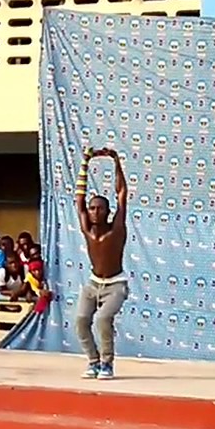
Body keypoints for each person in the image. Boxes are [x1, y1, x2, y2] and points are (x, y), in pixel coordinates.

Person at [75, 147, 130, 380]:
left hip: (115, 285)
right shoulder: (87, 229)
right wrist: (85, 162)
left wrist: (116, 161)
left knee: (103, 319)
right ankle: (93, 361)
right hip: (93, 284)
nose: (95, 212)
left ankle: (107, 363)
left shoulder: (116, 230)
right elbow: (78, 198)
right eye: (92, 208)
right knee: (81, 320)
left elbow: (122, 193)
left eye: (100, 208)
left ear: (108, 212)